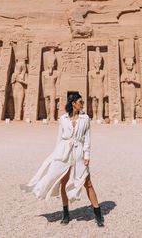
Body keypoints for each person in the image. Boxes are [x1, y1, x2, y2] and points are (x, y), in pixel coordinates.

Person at [25, 92, 104, 227]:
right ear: (73, 103)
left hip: (78, 152)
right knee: (63, 181)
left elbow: (87, 139)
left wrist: (87, 156)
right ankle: (66, 213)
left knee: (87, 182)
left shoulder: (85, 119)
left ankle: (98, 213)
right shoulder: (63, 119)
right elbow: (59, 138)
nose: (83, 104)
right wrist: (56, 154)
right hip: (64, 152)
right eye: (81, 102)